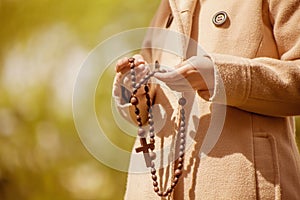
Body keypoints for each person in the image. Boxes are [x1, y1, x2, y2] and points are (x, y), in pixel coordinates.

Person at [113, 0, 300, 199]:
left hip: (240, 186)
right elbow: (145, 115)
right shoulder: (166, 6)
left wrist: (219, 75)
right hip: (149, 190)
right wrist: (133, 90)